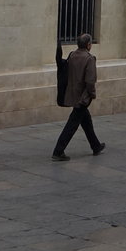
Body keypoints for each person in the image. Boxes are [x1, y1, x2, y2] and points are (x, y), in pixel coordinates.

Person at [51, 33, 105, 161]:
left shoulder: (72, 55)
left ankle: (95, 145)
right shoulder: (89, 59)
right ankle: (58, 151)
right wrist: (92, 94)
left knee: (86, 121)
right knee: (72, 124)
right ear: (88, 45)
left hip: (73, 95)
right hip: (83, 98)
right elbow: (90, 81)